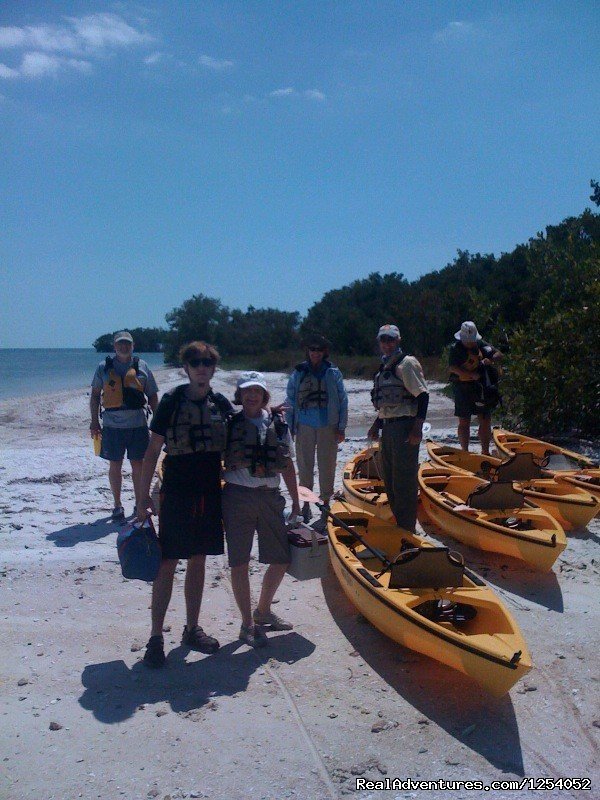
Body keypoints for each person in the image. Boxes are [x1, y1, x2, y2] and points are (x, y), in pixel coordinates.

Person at [136, 341, 233, 668]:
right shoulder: (171, 403)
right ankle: (155, 637)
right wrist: (142, 497)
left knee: (198, 560)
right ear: (186, 368)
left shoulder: (220, 404)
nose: (201, 367)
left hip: (209, 491)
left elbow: (243, 432)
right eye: (195, 362)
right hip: (176, 491)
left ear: (213, 368)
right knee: (168, 562)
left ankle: (192, 628)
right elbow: (151, 454)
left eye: (207, 362)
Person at [223, 371, 301, 648]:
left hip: (270, 496)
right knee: (240, 561)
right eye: (247, 391)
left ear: (265, 396)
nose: (251, 396)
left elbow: (288, 464)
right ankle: (247, 623)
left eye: (257, 391)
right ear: (240, 395)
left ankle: (264, 611)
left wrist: (295, 500)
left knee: (281, 558)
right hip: (237, 497)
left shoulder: (279, 425)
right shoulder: (229, 425)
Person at [90, 331, 159, 522]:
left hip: (138, 425)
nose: (123, 347)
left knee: (139, 465)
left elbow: (152, 395)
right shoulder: (103, 368)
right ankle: (117, 505)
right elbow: (95, 395)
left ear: (133, 346)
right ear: (114, 346)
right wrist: (94, 421)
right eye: (120, 343)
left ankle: (139, 502)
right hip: (112, 426)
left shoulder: (142, 367)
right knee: (115, 465)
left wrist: (158, 420)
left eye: (127, 343)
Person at [367, 324, 429, 532]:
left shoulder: (407, 364)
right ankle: (401, 525)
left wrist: (417, 429)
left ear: (398, 340)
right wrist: (377, 424)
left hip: (405, 428)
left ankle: (407, 528)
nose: (386, 343)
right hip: (388, 428)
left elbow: (423, 396)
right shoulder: (384, 367)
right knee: (391, 480)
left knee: (404, 481)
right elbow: (387, 405)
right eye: (383, 340)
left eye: (390, 339)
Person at [285, 334, 348, 525]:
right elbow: (290, 400)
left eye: (319, 350)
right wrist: (290, 427)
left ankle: (326, 503)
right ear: (308, 351)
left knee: (327, 465)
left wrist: (341, 427)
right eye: (312, 349)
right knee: (304, 466)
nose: (315, 353)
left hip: (328, 425)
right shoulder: (298, 373)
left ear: (324, 352)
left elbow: (343, 400)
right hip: (304, 425)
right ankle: (306, 505)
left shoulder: (333, 373)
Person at [448, 321, 503, 456]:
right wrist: (470, 375)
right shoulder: (455, 349)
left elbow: (498, 354)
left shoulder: (481, 344)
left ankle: (485, 451)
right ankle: (465, 451)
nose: (470, 343)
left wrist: (491, 360)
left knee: (484, 419)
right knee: (464, 420)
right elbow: (452, 368)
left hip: (481, 388)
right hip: (462, 388)